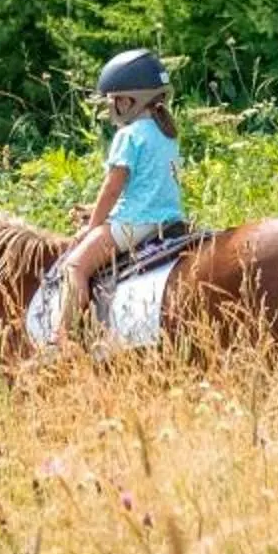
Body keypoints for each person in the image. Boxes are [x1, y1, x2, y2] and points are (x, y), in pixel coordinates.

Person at [48, 48, 184, 344]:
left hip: (134, 223)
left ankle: (61, 342)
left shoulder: (129, 135)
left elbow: (112, 188)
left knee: (75, 267)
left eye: (114, 99)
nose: (111, 107)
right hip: (170, 219)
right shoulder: (167, 133)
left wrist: (92, 226)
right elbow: (150, 181)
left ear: (129, 99)